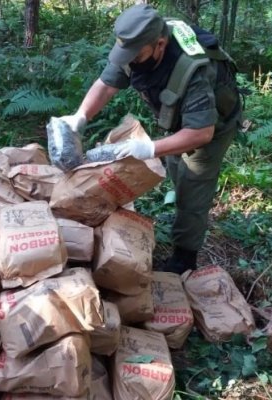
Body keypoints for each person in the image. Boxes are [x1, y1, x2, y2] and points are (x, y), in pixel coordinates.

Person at [58, 4, 242, 274]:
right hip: (180, 119)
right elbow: (107, 84)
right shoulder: (135, 46)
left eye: (136, 55)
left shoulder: (192, 69)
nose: (129, 60)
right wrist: (80, 116)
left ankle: (184, 259)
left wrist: (147, 148)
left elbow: (202, 132)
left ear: (160, 44)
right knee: (175, 166)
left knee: (191, 186)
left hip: (213, 125)